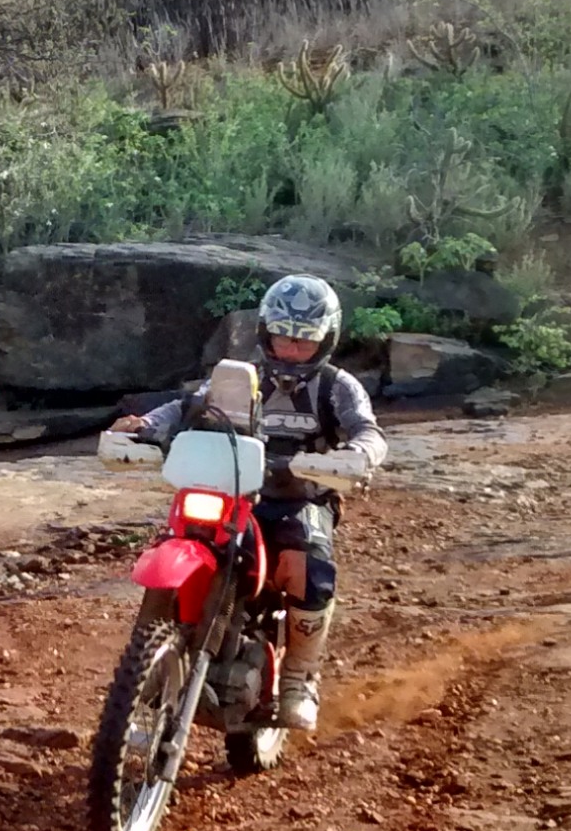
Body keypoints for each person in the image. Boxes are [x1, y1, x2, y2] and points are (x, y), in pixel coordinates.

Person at [109, 274, 386, 732]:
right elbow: (187, 407)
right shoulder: (240, 377)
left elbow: (368, 431)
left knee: (308, 568)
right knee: (183, 532)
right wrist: (145, 424)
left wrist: (358, 455)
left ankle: (299, 677)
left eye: (303, 341)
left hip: (299, 498)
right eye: (282, 337)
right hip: (233, 490)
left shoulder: (337, 387)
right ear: (265, 332)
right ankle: (155, 654)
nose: (290, 349)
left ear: (325, 341)